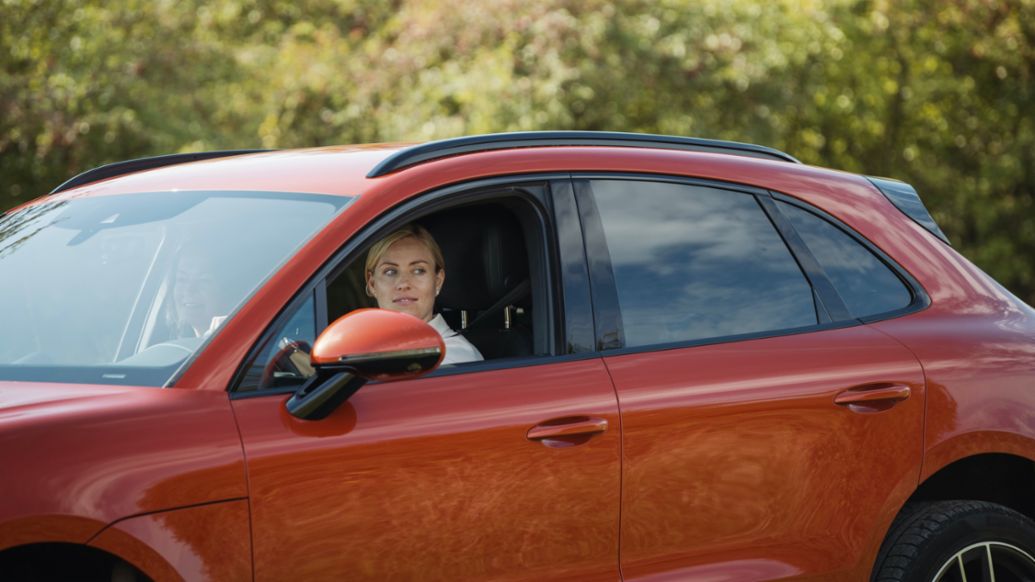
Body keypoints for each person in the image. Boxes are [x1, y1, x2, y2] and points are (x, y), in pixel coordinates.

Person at [365, 224, 483, 366]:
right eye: (390, 272)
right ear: (372, 284)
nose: (403, 284)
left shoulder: (453, 358)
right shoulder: (357, 348)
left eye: (418, 271)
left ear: (438, 281)